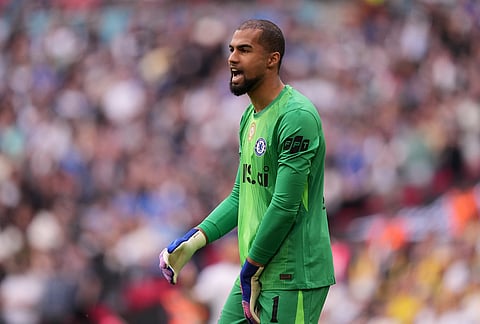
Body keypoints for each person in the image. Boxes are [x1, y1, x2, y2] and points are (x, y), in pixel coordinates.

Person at [159, 19, 335, 324]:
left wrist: (251, 268)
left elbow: (285, 206)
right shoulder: (250, 119)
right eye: (231, 50)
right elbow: (242, 194)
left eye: (244, 50)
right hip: (257, 270)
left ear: (272, 60)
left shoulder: (296, 116)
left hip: (293, 274)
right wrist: (195, 240)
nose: (231, 58)